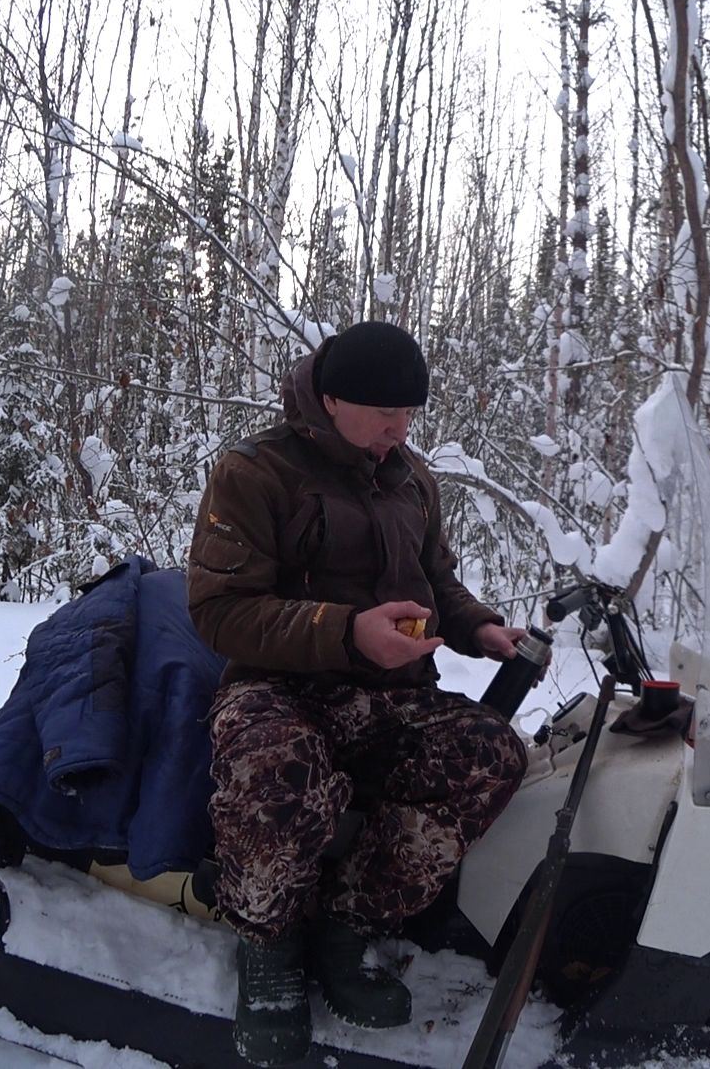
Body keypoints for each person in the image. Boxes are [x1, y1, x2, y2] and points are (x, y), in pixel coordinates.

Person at [186, 320, 531, 1067]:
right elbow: (219, 612)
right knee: (278, 767)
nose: (399, 431)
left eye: (409, 416)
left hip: (387, 694)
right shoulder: (254, 473)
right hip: (277, 687)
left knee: (492, 752)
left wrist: (480, 628)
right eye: (386, 416)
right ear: (332, 400)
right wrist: (345, 631)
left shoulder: (412, 478)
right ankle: (268, 944)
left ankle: (348, 925)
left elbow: (436, 580)